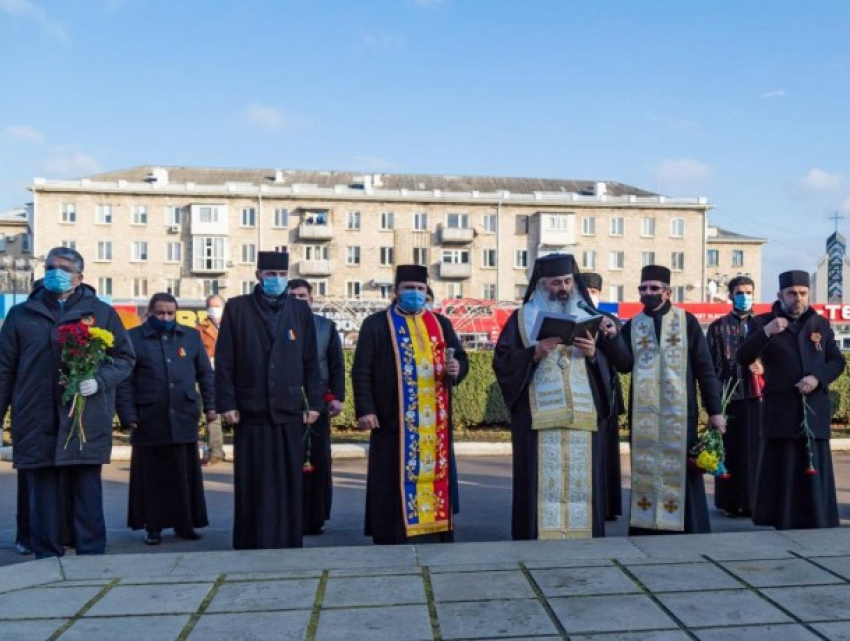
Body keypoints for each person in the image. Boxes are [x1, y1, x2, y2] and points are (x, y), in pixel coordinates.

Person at [0, 247, 135, 558]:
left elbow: (125, 358)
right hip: (36, 417)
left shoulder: (101, 313)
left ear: (79, 277)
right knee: (42, 495)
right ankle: (46, 555)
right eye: (49, 267)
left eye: (62, 268)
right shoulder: (22, 314)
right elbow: (4, 369)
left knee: (86, 494)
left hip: (84, 419)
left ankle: (90, 556)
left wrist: (99, 380)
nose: (54, 273)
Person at [493, 255, 631, 539]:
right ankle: (537, 537)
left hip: (582, 414)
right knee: (539, 484)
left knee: (582, 484)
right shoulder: (522, 318)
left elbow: (621, 364)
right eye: (556, 283)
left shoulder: (591, 316)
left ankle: (582, 536)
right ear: (542, 286)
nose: (564, 288)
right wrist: (533, 353)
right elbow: (502, 363)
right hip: (539, 418)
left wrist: (594, 355)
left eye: (568, 281)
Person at [352, 264, 468, 545]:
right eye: (409, 289)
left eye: (420, 289)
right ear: (395, 292)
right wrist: (366, 409)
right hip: (393, 418)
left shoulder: (442, 324)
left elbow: (462, 360)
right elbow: (361, 370)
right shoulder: (377, 324)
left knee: (436, 474)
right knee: (391, 478)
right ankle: (393, 533)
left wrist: (457, 368)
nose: (415, 294)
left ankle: (434, 530)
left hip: (434, 422)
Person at [215, 251, 322, 549]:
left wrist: (314, 403)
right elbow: (224, 360)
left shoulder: (299, 311)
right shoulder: (237, 308)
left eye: (281, 275)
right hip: (250, 409)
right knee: (254, 479)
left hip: (288, 408)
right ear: (258, 275)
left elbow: (311, 360)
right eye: (270, 274)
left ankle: (287, 537)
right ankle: (252, 538)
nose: (275, 280)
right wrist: (227, 403)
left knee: (288, 479)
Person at [621, 265, 725, 536]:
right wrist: (609, 337)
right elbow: (622, 364)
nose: (648, 293)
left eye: (654, 288)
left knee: (682, 469)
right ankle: (646, 526)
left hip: (680, 412)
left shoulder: (685, 320)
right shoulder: (633, 325)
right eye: (643, 288)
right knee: (645, 468)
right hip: (643, 414)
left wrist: (715, 411)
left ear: (667, 292)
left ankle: (687, 526)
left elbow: (705, 368)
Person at [737, 270, 844, 530]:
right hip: (781, 410)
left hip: (813, 409)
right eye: (792, 293)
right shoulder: (762, 321)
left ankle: (818, 517)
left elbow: (837, 361)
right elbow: (743, 356)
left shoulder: (819, 324)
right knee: (783, 466)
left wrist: (817, 379)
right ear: (780, 295)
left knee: (814, 466)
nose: (798, 298)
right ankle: (780, 518)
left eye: (803, 293)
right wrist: (766, 332)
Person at [117, 293, 216, 545]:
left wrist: (211, 406)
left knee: (184, 474)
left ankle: (186, 524)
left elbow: (205, 375)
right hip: (149, 417)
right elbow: (125, 381)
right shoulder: (133, 338)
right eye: (160, 313)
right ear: (150, 312)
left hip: (183, 413)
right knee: (153, 476)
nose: (165, 317)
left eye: (170, 313)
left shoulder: (190, 337)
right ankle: (154, 526)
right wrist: (128, 415)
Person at [286, 279, 345, 536]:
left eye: (302, 296)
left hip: (317, 404)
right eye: (293, 296)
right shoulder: (278, 325)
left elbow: (336, 366)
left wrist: (336, 397)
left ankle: (315, 517)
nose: (299, 300)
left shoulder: (326, 327)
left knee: (317, 461)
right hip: (287, 405)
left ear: (311, 298)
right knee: (288, 462)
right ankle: (289, 516)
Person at [706, 276, 763, 517]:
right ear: (730, 296)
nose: (744, 296)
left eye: (748, 292)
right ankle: (730, 503)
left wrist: (764, 368)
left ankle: (755, 502)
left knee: (754, 451)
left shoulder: (763, 325)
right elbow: (708, 366)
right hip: (728, 398)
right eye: (739, 292)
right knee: (729, 451)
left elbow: (779, 358)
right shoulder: (717, 327)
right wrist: (712, 404)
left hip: (757, 397)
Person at [580, 272, 626, 522]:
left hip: (605, 395)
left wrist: (611, 335)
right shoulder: (571, 318)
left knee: (606, 453)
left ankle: (606, 505)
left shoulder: (610, 320)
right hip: (580, 394)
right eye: (586, 290)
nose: (590, 295)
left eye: (595, 291)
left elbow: (623, 360)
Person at [196, 294, 226, 464]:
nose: (213, 309)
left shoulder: (233, 326)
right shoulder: (199, 330)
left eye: (216, 305)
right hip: (211, 375)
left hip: (234, 374)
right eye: (210, 306)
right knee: (213, 413)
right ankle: (215, 452)